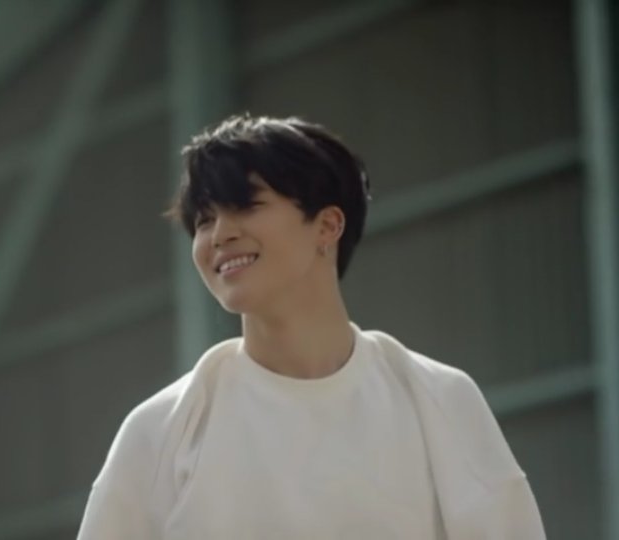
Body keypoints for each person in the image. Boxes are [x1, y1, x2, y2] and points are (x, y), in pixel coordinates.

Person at [76, 114, 545, 539]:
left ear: (328, 225)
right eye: (204, 219)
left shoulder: (437, 399)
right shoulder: (161, 431)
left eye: (246, 206)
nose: (219, 235)